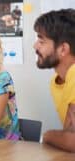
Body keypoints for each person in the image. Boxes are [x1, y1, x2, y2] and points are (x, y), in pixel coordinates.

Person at [33, 9, 75, 152]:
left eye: (41, 41)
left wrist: (48, 135)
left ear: (63, 49)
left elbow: (72, 141)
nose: (35, 46)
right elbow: (68, 135)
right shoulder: (57, 81)